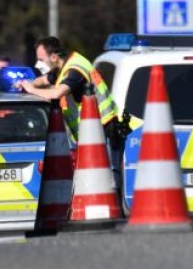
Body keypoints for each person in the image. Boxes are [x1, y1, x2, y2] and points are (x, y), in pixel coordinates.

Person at [17, 37, 125, 197]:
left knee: (108, 176)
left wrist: (31, 90)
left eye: (41, 59)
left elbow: (57, 93)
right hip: (93, 131)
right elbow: (44, 80)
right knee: (97, 175)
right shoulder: (63, 68)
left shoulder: (74, 71)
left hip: (105, 126)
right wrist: (28, 84)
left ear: (53, 57)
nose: (38, 64)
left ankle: (114, 211)